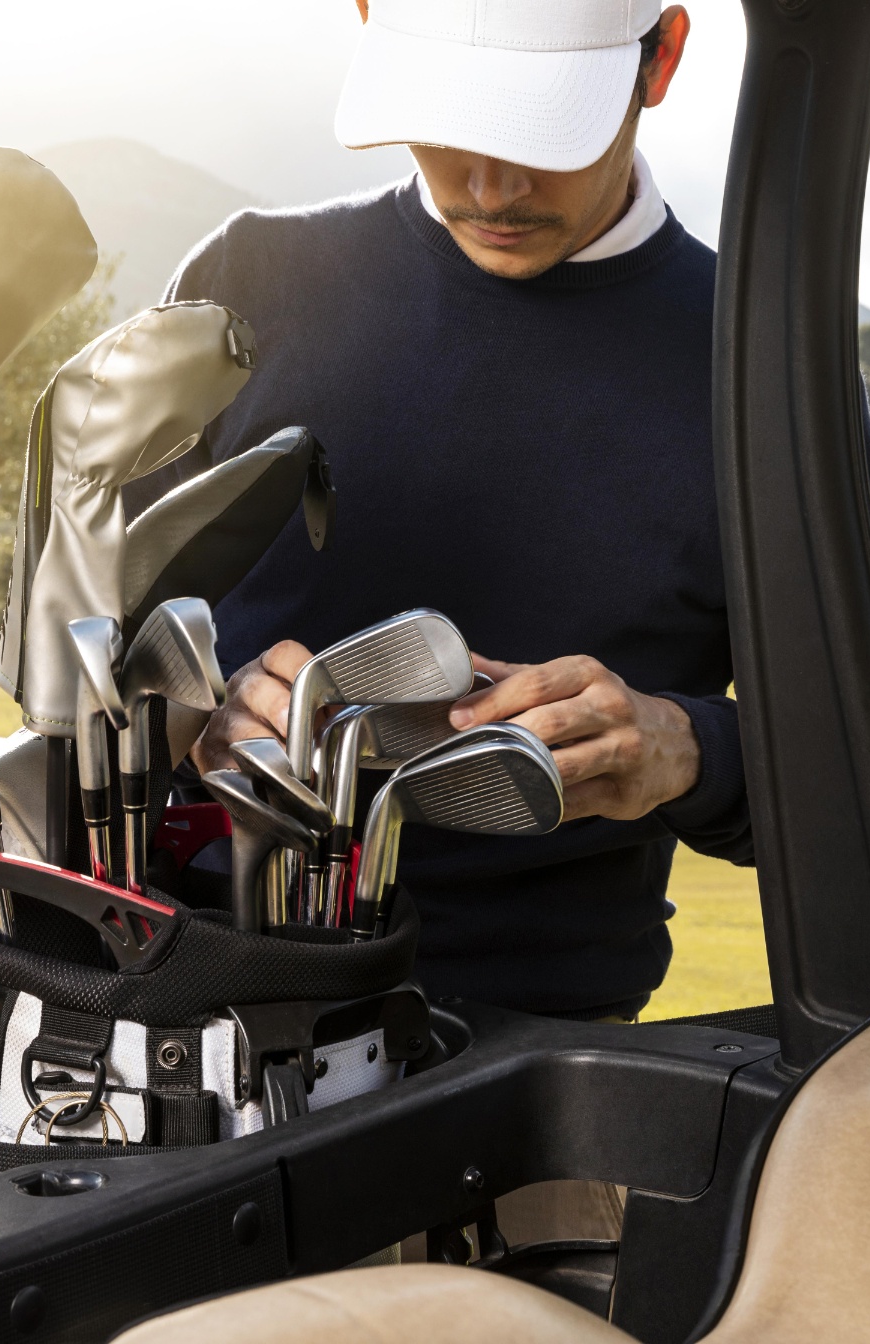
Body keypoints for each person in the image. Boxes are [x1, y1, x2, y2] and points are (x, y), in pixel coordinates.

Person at [125, 0, 752, 1031]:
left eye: (543, 129)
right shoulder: (245, 280)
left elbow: (856, 773)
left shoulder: (765, 366)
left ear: (661, 58)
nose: (492, 187)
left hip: (540, 1056)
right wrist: (195, 710)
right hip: (182, 1000)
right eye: (454, 119)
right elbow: (92, 644)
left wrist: (682, 746)